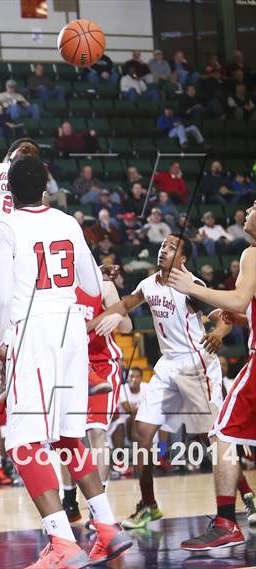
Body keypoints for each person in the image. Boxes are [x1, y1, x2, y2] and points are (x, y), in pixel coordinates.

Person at [0, 155, 132, 567]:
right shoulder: (68, 222)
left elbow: (0, 297)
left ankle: (63, 542)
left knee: (21, 440)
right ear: (46, 189)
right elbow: (90, 282)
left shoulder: (4, 228)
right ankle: (106, 527)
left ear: (9, 193)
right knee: (70, 434)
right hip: (72, 331)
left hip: (32, 331)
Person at [89, 234, 230, 529]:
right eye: (162, 245)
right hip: (167, 364)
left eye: (171, 247)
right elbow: (127, 303)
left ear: (183, 259)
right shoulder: (149, 283)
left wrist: (218, 332)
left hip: (195, 363)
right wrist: (89, 324)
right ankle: (148, 505)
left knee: (211, 437)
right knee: (141, 433)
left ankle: (246, 497)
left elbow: (224, 317)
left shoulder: (192, 285)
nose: (163, 250)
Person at [168, 201, 256, 549]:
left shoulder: (252, 253)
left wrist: (192, 287)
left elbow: (237, 297)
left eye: (254, 206)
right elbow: (241, 305)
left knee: (221, 434)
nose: (248, 209)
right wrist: (246, 318)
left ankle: (226, 523)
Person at [62, 265, 132, 525]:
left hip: (102, 365)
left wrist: (117, 317)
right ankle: (69, 501)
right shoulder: (57, 288)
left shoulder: (104, 286)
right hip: (70, 366)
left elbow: (126, 326)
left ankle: (98, 506)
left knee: (96, 432)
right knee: (66, 435)